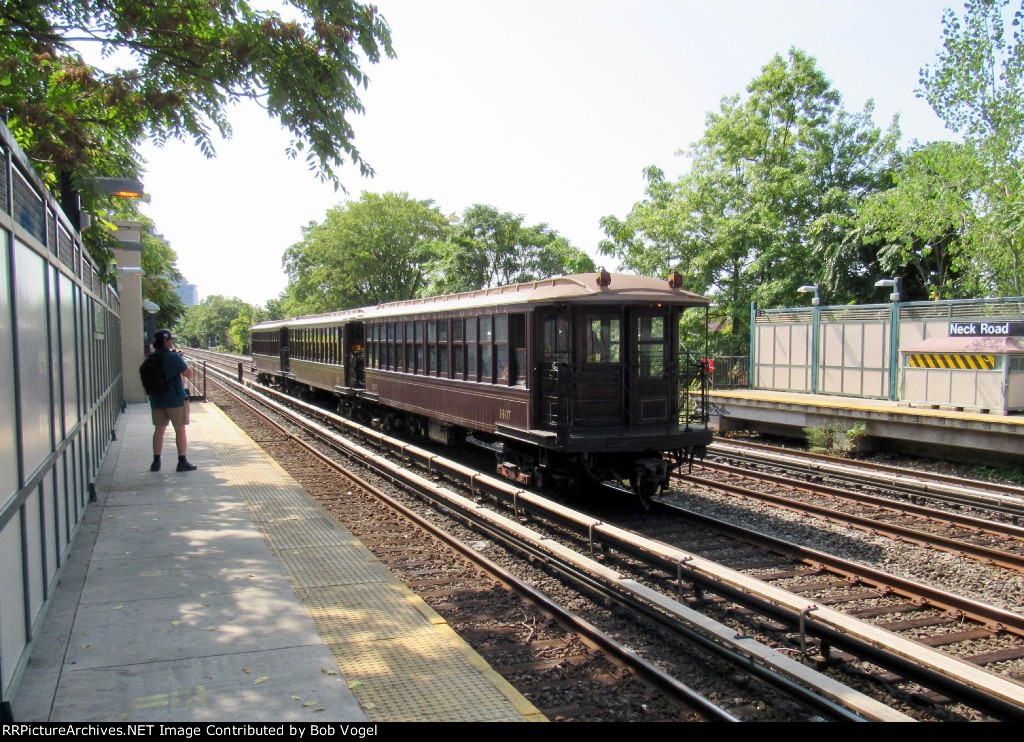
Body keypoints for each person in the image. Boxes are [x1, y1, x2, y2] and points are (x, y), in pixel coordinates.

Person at [148, 329, 197, 472]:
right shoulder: (173, 357)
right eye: (171, 339)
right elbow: (189, 374)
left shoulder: (152, 357)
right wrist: (180, 359)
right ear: (166, 341)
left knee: (159, 430)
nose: (172, 342)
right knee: (180, 430)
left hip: (157, 400)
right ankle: (182, 461)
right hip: (175, 399)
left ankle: (156, 462)